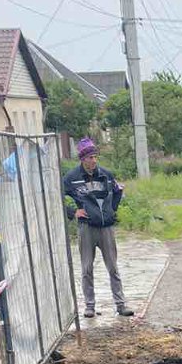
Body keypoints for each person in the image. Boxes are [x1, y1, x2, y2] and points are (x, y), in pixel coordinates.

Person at [62, 137, 134, 319]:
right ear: (82, 159)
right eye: (90, 157)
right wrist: (72, 212)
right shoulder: (72, 178)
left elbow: (118, 191)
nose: (93, 160)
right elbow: (54, 197)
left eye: (95, 157)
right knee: (87, 268)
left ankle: (120, 304)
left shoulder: (106, 175)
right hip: (86, 228)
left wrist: (111, 210)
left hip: (106, 228)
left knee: (113, 268)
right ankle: (89, 306)